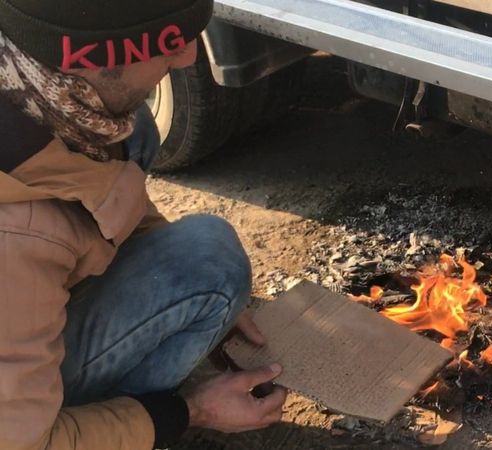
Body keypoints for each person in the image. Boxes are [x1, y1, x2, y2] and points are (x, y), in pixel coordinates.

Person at [0, 1, 288, 449]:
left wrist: (169, 299)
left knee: (137, 132)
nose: (189, 56)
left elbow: (100, 187)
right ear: (86, 57)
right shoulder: (17, 236)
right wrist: (188, 411)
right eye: (171, 44)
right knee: (209, 266)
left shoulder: (42, 89)